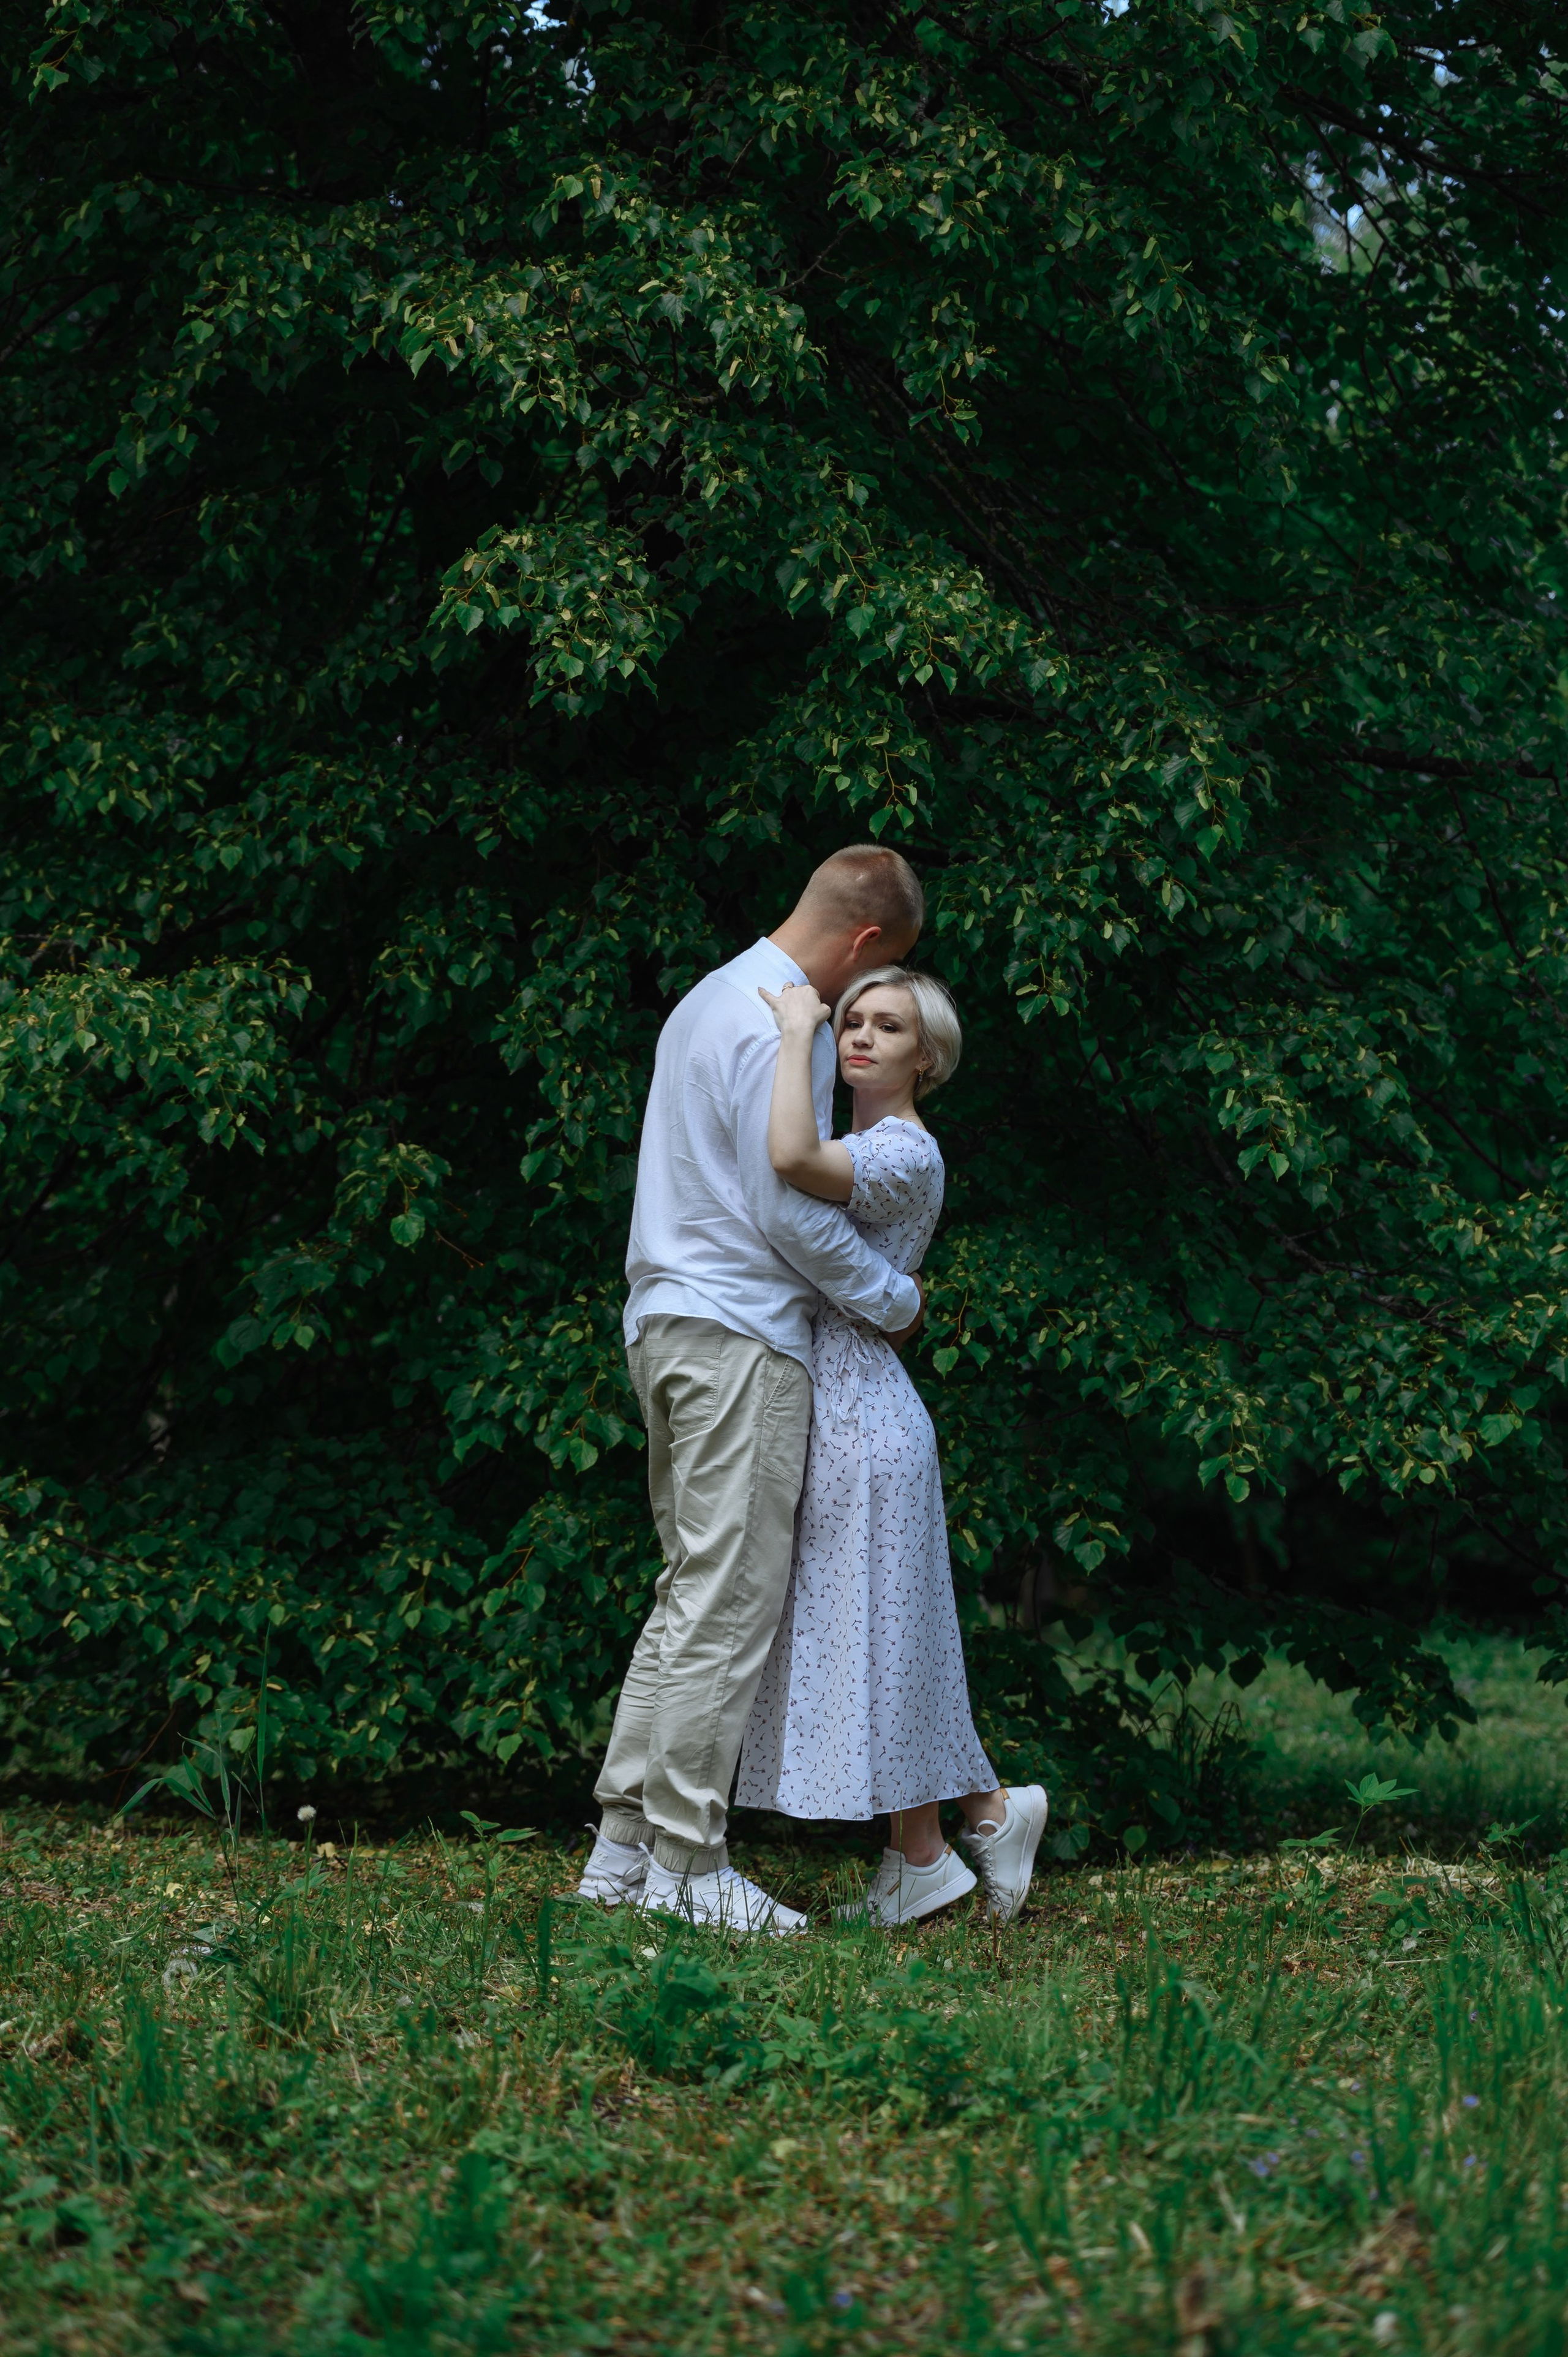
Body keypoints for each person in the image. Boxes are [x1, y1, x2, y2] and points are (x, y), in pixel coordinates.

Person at [576, 845, 927, 1934]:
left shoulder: (707, 998)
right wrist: (890, 1296)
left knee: (690, 1593)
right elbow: (785, 1208)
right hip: (739, 1336)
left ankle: (619, 1856)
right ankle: (689, 1863)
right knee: (728, 1606)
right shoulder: (791, 1027)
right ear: (867, 943)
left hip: (665, 1321)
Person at [734, 967, 1049, 1925]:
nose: (862, 1037)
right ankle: (941, 1839)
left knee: (881, 1638)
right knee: (880, 1639)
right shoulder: (868, 1141)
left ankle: (973, 1821)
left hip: (863, 1418)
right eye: (853, 1021)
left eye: (889, 1026)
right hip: (844, 1404)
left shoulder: (903, 1152)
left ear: (929, 1056)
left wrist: (799, 1029)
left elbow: (788, 1157)